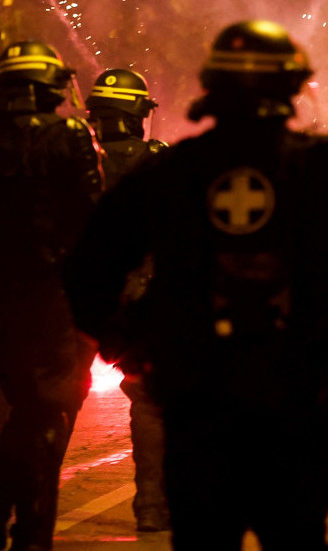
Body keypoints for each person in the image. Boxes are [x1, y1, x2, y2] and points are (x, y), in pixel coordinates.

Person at [63, 20, 328, 550]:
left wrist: (133, 349)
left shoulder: (170, 172)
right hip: (298, 399)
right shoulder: (327, 170)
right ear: (292, 90)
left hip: (198, 398)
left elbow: (88, 270)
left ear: (211, 88)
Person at [0, 40, 104, 551]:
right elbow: (93, 219)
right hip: (48, 300)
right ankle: (31, 536)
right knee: (44, 414)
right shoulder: (69, 136)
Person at [85, 67, 171, 532]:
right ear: (140, 115)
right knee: (150, 399)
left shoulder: (66, 155)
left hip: (67, 294)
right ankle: (154, 506)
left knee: (33, 404)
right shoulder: (158, 162)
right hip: (141, 298)